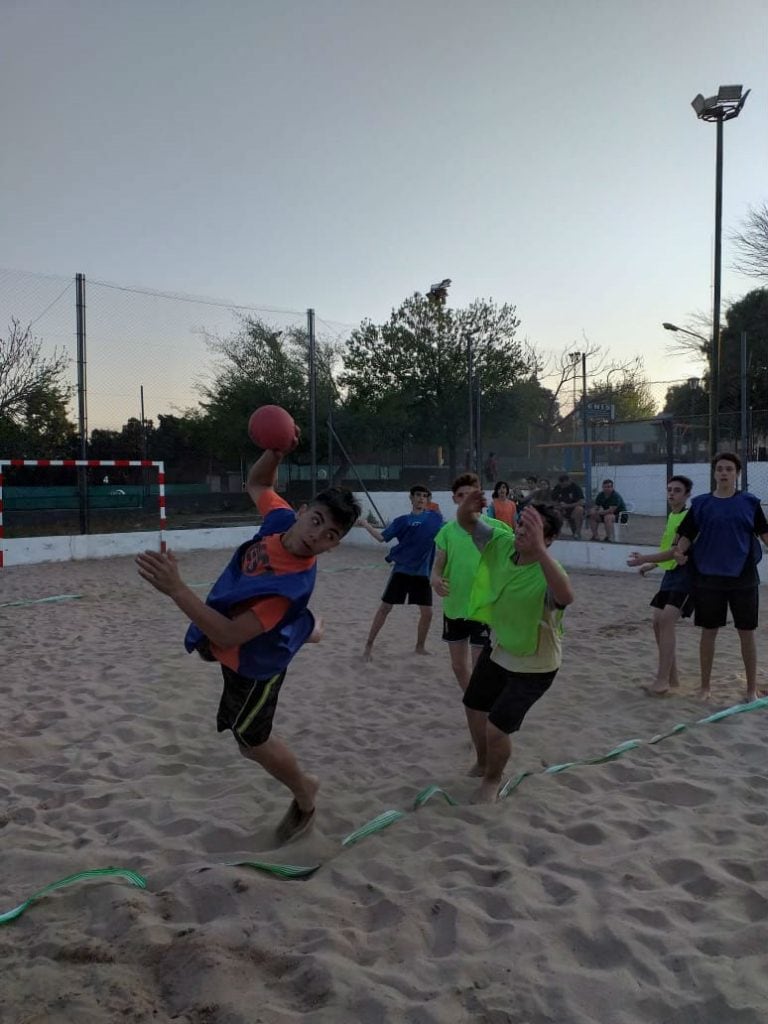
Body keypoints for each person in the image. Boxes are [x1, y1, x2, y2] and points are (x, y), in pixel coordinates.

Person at [136, 439, 361, 844]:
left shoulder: (290, 584)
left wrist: (176, 589)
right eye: (317, 521)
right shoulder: (278, 520)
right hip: (245, 635)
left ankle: (305, 787)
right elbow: (257, 484)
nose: (317, 535)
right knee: (244, 721)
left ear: (334, 545)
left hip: (258, 665)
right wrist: (274, 452)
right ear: (302, 510)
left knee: (252, 742)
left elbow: (225, 634)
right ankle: (306, 628)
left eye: (330, 535)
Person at [457, 493, 574, 803]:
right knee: (473, 705)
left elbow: (565, 596)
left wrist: (539, 551)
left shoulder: (550, 571)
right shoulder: (502, 543)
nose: (522, 532)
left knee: (497, 729)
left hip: (536, 666)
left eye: (533, 530)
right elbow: (469, 523)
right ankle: (483, 762)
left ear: (548, 539)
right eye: (521, 524)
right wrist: (465, 508)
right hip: (503, 650)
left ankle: (493, 779)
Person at [674, 452, 768, 702]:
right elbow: (686, 535)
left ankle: (751, 690)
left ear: (737, 474)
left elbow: (764, 534)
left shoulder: (750, 502)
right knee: (709, 631)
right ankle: (705, 687)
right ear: (714, 474)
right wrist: (679, 552)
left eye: (729, 469)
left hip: (744, 576)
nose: (724, 473)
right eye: (719, 469)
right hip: (709, 576)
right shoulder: (702, 504)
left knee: (746, 632)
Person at [431, 474, 509, 696]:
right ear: (455, 499)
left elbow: (513, 564)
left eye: (470, 495)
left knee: (480, 666)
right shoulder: (447, 531)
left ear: (480, 498)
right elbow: (437, 566)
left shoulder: (497, 529)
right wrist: (435, 580)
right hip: (454, 607)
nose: (465, 499)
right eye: (460, 495)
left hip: (484, 608)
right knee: (458, 666)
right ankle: (472, 701)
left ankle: (481, 705)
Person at [626, 476, 694, 696]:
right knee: (657, 622)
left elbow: (676, 551)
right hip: (670, 575)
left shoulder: (688, 517)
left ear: (686, 495)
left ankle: (662, 679)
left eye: (677, 490)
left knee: (666, 621)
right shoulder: (673, 516)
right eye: (669, 490)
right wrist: (650, 565)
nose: (671, 494)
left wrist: (643, 558)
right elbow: (668, 550)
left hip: (686, 575)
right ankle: (672, 678)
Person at [360, 484, 443, 660]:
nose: (421, 498)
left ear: (427, 499)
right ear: (411, 498)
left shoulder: (434, 519)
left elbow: (447, 535)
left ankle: (420, 646)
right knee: (385, 608)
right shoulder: (402, 521)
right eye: (418, 495)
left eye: (424, 495)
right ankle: (369, 645)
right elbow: (382, 538)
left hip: (422, 573)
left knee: (428, 613)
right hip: (402, 571)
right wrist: (366, 524)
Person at [551, 473, 585, 538]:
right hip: (561, 510)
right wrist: (558, 506)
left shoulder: (576, 487)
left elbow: (581, 502)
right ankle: (558, 532)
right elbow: (553, 500)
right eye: (561, 484)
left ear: (568, 481)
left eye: (563, 484)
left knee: (579, 509)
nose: (562, 486)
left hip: (573, 510)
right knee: (554, 512)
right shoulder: (558, 487)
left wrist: (567, 505)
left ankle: (577, 533)